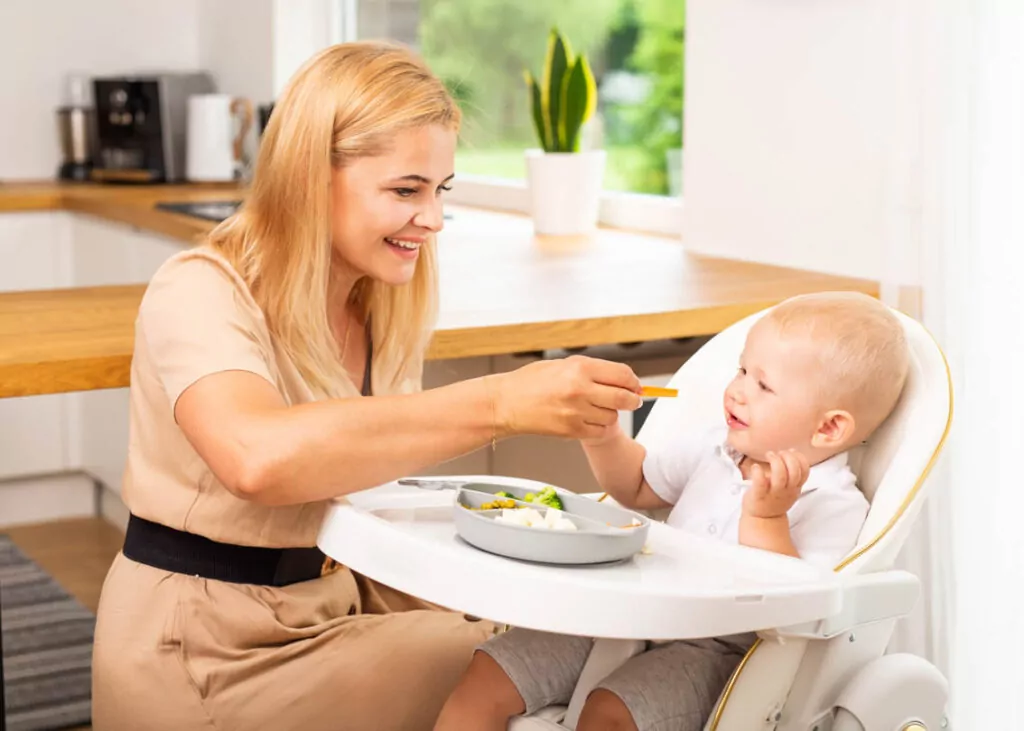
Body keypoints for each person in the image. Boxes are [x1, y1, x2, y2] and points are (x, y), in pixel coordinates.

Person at [90, 41, 643, 731]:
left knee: (553, 651)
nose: (433, 219)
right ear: (309, 177)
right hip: (204, 648)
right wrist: (502, 402)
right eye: (405, 190)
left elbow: (364, 480)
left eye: (441, 191)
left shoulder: (380, 303)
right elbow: (256, 458)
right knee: (533, 671)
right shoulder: (198, 289)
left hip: (329, 610)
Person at [435, 292, 910, 731]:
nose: (737, 390)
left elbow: (792, 611)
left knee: (610, 714)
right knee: (489, 671)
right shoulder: (715, 446)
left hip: (715, 648)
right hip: (623, 610)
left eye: (763, 385)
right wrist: (605, 439)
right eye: (742, 371)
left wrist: (766, 520)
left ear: (828, 429)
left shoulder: (834, 504)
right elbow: (639, 486)